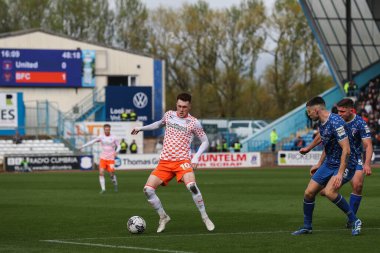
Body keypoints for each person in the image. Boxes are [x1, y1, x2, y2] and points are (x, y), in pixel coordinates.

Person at [131, 92, 215, 233]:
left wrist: (196, 157)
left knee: (192, 186)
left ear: (189, 107)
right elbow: (158, 124)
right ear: (176, 104)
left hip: (182, 161)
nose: (181, 109)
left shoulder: (194, 122)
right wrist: (141, 128)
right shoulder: (169, 115)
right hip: (165, 162)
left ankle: (205, 217)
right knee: (148, 190)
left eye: (184, 107)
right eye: (179, 106)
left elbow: (205, 141)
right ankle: (163, 217)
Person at [292, 96, 361, 236]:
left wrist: (340, 173)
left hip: (346, 163)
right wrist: (314, 156)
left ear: (316, 110)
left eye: (309, 111)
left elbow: (346, 150)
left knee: (329, 192)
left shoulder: (336, 122)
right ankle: (307, 226)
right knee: (309, 193)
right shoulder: (322, 123)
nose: (308, 114)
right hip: (330, 162)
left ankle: (355, 220)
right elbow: (324, 139)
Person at [80, 124, 120, 193]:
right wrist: (83, 146)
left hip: (111, 159)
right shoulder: (101, 137)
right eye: (106, 129)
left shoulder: (114, 137)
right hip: (103, 158)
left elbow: (119, 146)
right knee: (101, 172)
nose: (107, 131)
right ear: (104, 130)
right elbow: (92, 142)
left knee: (111, 174)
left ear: (110, 129)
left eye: (108, 129)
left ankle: (115, 184)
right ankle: (103, 189)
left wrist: (116, 151)